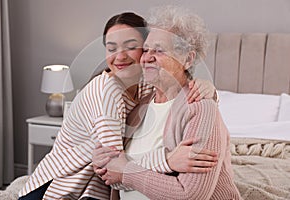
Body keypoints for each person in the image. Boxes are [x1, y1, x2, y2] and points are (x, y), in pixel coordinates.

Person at [18, 12, 217, 200]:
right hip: (59, 188)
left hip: (94, 190)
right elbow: (113, 166)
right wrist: (168, 160)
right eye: (111, 49)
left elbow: (175, 81)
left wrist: (206, 88)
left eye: (130, 47)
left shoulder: (145, 85)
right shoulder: (106, 91)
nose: (119, 56)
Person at [95, 6, 242, 200]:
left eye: (159, 51)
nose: (147, 58)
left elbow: (191, 194)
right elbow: (114, 170)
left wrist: (127, 172)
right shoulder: (140, 106)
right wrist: (104, 162)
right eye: (146, 49)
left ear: (188, 59)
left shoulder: (201, 108)